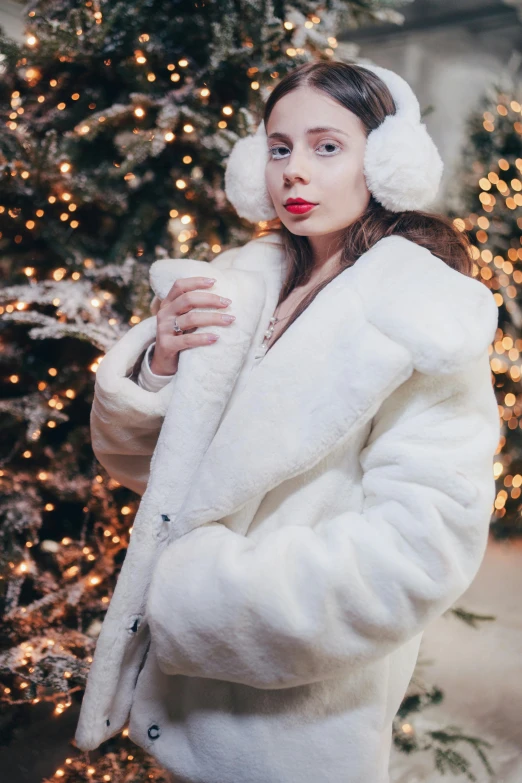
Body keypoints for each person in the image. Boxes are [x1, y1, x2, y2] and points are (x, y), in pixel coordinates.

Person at [74, 61, 500, 783]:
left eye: (326, 147)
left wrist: (200, 597)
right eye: (278, 147)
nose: (294, 172)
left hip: (293, 726)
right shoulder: (240, 282)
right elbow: (155, 471)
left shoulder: (422, 317)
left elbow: (419, 550)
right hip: (172, 708)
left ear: (387, 159)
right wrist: (162, 367)